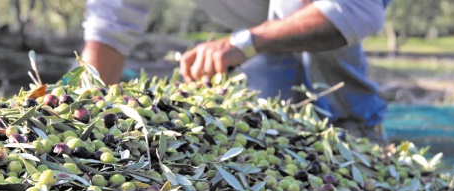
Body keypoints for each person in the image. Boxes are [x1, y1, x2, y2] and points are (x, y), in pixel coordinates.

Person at [82, 0, 391, 143]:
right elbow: (110, 25)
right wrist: (84, 110)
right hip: (257, 18)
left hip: (315, 8)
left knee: (295, 9)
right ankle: (293, 138)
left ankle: (360, 131)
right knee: (277, 130)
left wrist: (244, 43)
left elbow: (353, 10)